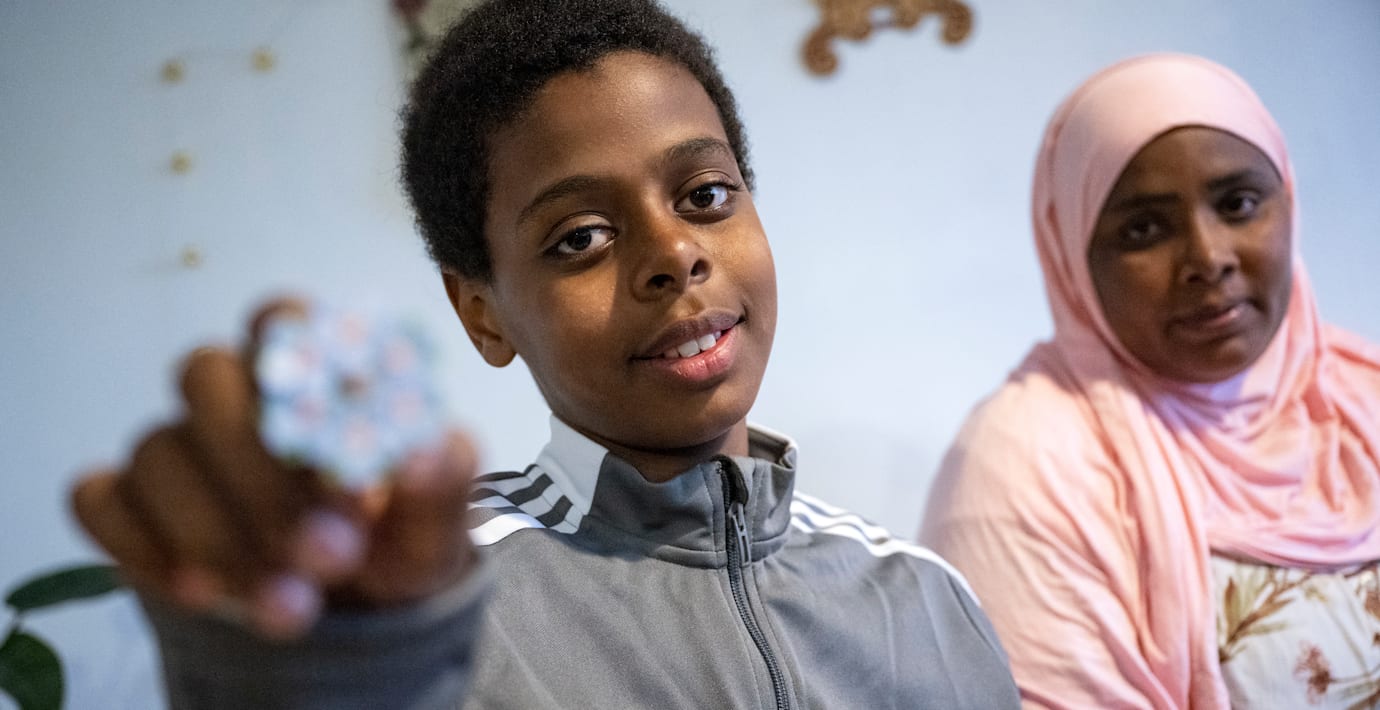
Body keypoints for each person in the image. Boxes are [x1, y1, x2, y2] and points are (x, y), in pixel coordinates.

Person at [70, 1, 1021, 707]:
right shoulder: (422, 602)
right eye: (580, 238)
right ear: (483, 315)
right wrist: (324, 666)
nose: (674, 254)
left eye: (704, 196)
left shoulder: (926, 602)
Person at [920, 53, 1380, 709]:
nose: (1208, 258)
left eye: (1239, 204)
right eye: (1144, 229)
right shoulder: (1025, 465)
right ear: (1074, 256)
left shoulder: (1358, 396)